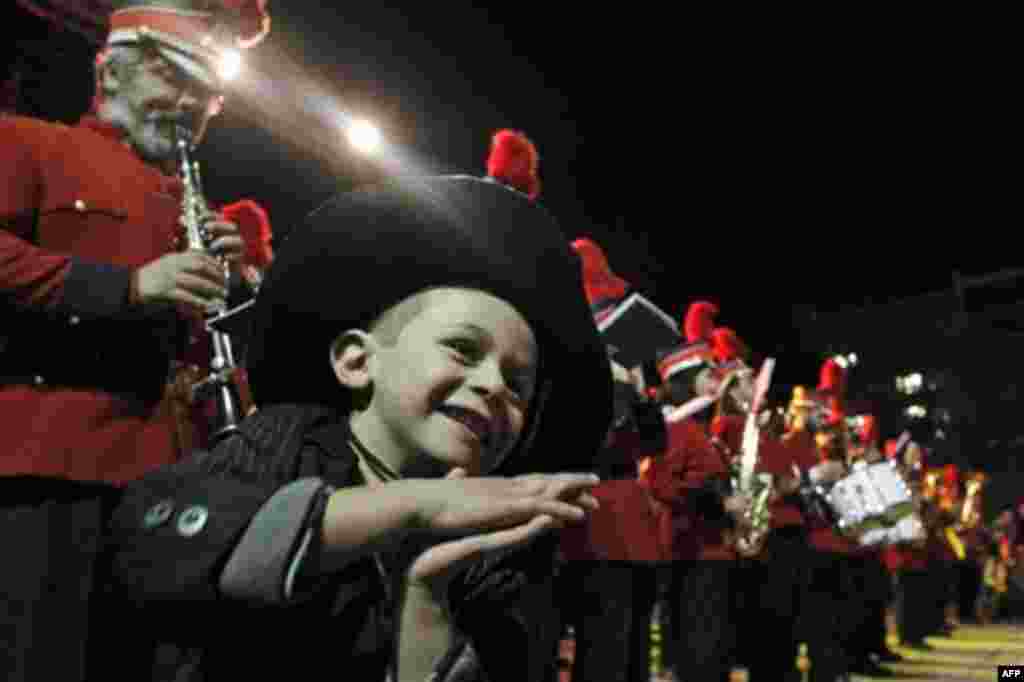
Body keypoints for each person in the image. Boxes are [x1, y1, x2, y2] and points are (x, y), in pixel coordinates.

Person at [102, 176, 613, 682]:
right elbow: (145, 540)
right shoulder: (286, 441)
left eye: (518, 384)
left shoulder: (508, 544)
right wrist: (410, 506)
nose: (493, 386)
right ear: (355, 361)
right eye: (462, 349)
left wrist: (426, 602)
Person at [0, 2, 270, 679]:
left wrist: (237, 286)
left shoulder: (185, 199)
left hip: (170, 475)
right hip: (55, 468)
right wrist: (126, 289)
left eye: (204, 95)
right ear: (113, 73)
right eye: (172, 79)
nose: (188, 105)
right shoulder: (28, 142)